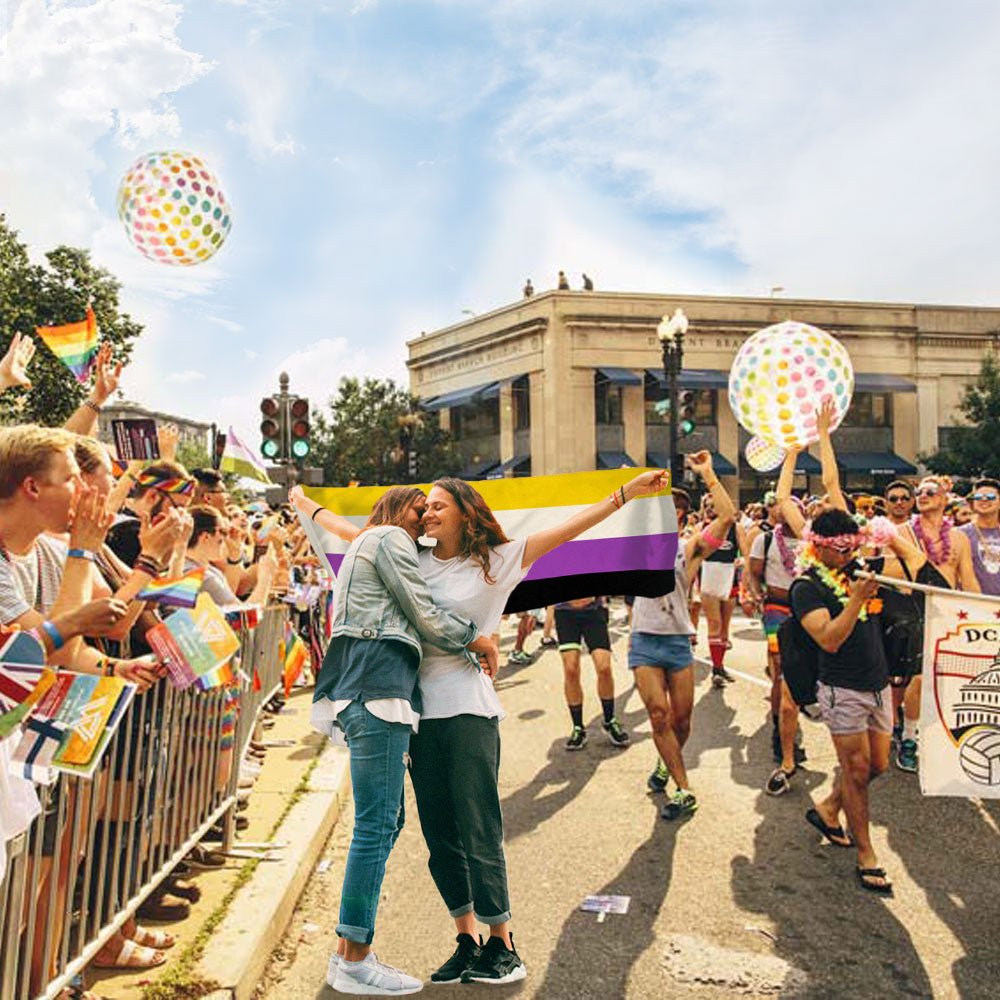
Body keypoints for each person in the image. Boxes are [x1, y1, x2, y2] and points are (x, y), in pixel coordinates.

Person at [291, 485, 497, 996]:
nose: (424, 516)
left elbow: (338, 527)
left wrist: (303, 503)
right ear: (394, 508)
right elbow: (422, 609)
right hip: (378, 684)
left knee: (386, 819)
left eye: (432, 508)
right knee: (377, 823)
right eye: (418, 506)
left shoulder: (370, 539)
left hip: (366, 685)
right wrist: (478, 637)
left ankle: (348, 952)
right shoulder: (388, 538)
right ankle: (356, 959)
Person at [792, 509, 894, 895]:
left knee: (877, 766)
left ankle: (829, 808)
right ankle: (866, 853)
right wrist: (854, 600)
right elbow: (829, 639)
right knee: (855, 771)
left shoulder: (860, 570)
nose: (849, 555)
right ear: (817, 547)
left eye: (854, 546)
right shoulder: (807, 587)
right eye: (840, 548)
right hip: (842, 687)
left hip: (878, 683)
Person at [630, 452, 735, 819]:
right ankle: (683, 787)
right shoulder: (634, 546)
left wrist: (707, 473)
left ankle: (665, 763)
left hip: (677, 641)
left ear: (677, 515)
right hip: (644, 640)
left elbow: (727, 517)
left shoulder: (687, 549)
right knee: (659, 715)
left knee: (682, 721)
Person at [896, 474, 979, 772]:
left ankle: (930, 734)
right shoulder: (903, 532)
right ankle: (908, 738)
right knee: (918, 678)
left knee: (945, 680)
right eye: (919, 491)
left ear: (945, 499)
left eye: (930, 491)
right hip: (914, 613)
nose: (922, 495)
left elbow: (967, 579)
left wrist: (983, 614)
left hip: (948, 615)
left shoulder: (958, 538)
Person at [554, 596, 629, 749]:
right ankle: (578, 727)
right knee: (571, 670)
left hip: (594, 612)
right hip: (565, 614)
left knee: (604, 668)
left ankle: (609, 720)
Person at [698, 491, 744, 686]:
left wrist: (741, 562)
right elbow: (693, 555)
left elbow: (746, 553)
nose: (711, 508)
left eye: (714, 504)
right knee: (714, 623)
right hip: (708, 577)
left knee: (725, 626)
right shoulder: (701, 528)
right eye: (708, 505)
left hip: (729, 578)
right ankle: (716, 669)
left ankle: (721, 665)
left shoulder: (736, 528)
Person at [959, 478, 1000, 595]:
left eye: (991, 497)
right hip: (973, 605)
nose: (984, 500)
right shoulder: (960, 534)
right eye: (978, 497)